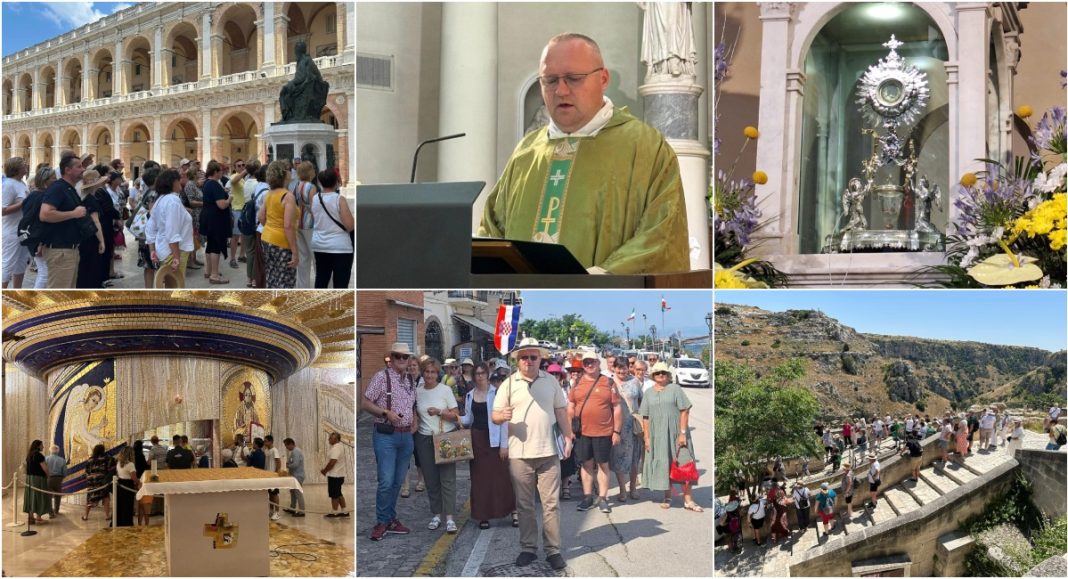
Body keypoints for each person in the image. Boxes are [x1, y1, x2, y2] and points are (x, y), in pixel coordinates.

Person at [477, 33, 688, 274]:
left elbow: (662, 235)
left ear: (603, 78)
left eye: (574, 79)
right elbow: (492, 232)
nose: (561, 91)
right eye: (550, 80)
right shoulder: (526, 151)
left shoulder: (645, 147)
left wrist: (596, 278)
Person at [492, 337, 573, 571]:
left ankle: (553, 550)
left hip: (548, 452)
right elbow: (495, 416)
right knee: (525, 505)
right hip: (519, 454)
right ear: (517, 360)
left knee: (551, 505)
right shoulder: (508, 384)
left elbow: (560, 412)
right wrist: (502, 416)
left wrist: (568, 438)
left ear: (540, 358)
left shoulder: (551, 382)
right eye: (524, 357)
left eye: (533, 357)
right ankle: (528, 548)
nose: (528, 361)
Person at [361, 342, 417, 539]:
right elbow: (366, 402)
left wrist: (414, 421)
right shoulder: (381, 377)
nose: (402, 360)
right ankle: (382, 521)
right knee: (385, 481)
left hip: (406, 436)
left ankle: (391, 518)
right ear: (391, 359)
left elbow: (413, 405)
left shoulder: (410, 380)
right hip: (386, 434)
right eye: (398, 356)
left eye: (405, 357)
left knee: (398, 481)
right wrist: (385, 412)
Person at [462, 362, 518, 529]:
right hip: (477, 439)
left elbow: (503, 422)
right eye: (477, 374)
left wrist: (504, 445)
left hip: (494, 439)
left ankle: (513, 510)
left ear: (487, 375)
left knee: (503, 477)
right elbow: (468, 419)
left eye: (482, 373)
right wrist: (448, 415)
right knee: (480, 479)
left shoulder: (497, 393)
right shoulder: (470, 395)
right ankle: (483, 514)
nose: (480, 376)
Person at [640, 362, 700, 511]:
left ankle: (688, 500)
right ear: (653, 375)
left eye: (664, 373)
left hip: (676, 433)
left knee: (684, 464)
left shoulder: (675, 389)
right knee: (664, 465)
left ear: (668, 375)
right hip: (657, 435)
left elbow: (685, 410)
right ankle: (667, 496)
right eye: (658, 373)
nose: (661, 375)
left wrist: (682, 433)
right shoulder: (648, 393)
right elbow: (645, 417)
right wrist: (646, 438)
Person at [568, 352, 621, 514]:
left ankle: (603, 498)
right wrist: (570, 429)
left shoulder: (609, 382)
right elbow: (570, 405)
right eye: (586, 362)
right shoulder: (577, 383)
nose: (589, 365)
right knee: (586, 464)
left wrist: (616, 431)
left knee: (603, 465)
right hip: (582, 432)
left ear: (599, 363)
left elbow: (617, 407)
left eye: (592, 362)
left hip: (604, 431)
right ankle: (588, 497)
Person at [413, 358, 461, 533]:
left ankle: (449, 518)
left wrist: (440, 411)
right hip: (424, 438)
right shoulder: (417, 392)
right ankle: (436, 514)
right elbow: (414, 413)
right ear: (422, 373)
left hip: (445, 436)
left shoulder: (445, 390)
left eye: (433, 372)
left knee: (447, 478)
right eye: (427, 372)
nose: (430, 375)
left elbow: (456, 415)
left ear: (437, 373)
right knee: (431, 479)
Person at [146, 169, 193, 287]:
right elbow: (172, 232)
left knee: (169, 287)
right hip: (174, 251)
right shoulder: (173, 201)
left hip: (164, 250)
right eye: (178, 179)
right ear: (173, 182)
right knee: (176, 288)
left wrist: (152, 250)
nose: (181, 182)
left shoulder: (160, 200)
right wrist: (177, 257)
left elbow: (150, 227)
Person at [256, 160, 299, 287]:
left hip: (267, 238)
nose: (291, 172)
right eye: (288, 170)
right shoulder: (287, 196)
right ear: (284, 174)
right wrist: (295, 252)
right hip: (282, 242)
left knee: (272, 275)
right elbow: (288, 225)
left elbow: (261, 216)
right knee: (285, 280)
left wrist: (270, 228)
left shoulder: (269, 193)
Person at [310, 168, 353, 288]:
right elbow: (349, 226)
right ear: (336, 182)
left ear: (320, 182)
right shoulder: (339, 199)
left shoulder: (315, 198)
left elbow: (316, 219)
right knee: (340, 284)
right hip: (340, 247)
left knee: (321, 280)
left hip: (320, 245)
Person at [609, 357, 642, 502]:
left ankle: (633, 487)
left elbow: (641, 400)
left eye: (624, 367)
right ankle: (622, 489)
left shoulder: (634, 382)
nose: (622, 371)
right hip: (617, 425)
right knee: (619, 458)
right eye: (619, 368)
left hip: (634, 425)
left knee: (635, 457)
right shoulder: (609, 382)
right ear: (613, 368)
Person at [198, 160, 232, 284]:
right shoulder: (214, 184)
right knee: (215, 246)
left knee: (210, 244)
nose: (222, 173)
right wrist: (229, 199)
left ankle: (209, 270)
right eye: (220, 171)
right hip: (215, 219)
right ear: (216, 172)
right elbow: (222, 205)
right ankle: (214, 275)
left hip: (207, 216)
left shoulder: (207, 183)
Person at [74, 169, 108, 288]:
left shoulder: (83, 198)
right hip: (92, 238)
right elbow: (95, 221)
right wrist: (102, 241)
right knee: (92, 267)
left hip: (84, 237)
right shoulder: (91, 200)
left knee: (84, 266)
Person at [2, 157, 31, 288]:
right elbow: (2, 210)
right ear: (16, 168)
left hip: (22, 230)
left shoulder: (22, 183)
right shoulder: (8, 185)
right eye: (23, 164)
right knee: (8, 263)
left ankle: (17, 291)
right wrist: (23, 204)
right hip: (11, 232)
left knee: (21, 262)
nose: (26, 165)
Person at [289, 160, 317, 288]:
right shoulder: (311, 187)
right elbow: (313, 206)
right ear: (309, 171)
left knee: (303, 257)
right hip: (309, 223)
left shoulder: (296, 185)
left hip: (298, 222)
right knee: (315, 256)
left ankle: (302, 286)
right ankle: (320, 284)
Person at [225, 159, 247, 267]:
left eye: (243, 165)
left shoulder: (244, 179)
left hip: (244, 209)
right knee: (235, 236)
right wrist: (246, 171)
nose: (242, 167)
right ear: (235, 168)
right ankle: (232, 258)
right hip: (237, 209)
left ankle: (242, 255)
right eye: (239, 166)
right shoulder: (234, 176)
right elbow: (233, 182)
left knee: (244, 235)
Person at [82, 443, 113, 521]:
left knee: (90, 499)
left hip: (92, 481)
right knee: (106, 498)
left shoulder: (90, 459)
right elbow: (112, 466)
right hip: (102, 480)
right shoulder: (107, 458)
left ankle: (86, 516)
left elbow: (87, 471)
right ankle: (107, 516)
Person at [24, 440, 52, 524]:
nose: (43, 447)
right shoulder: (39, 455)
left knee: (31, 496)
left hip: (29, 478)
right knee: (39, 496)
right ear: (38, 446)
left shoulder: (29, 455)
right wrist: (48, 476)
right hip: (38, 479)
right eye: (42, 445)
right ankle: (39, 518)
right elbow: (45, 468)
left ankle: (31, 518)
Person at [322, 432, 349, 517]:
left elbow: (332, 462)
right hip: (339, 474)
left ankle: (334, 511)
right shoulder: (339, 446)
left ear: (336, 439)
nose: (329, 439)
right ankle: (344, 511)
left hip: (335, 475)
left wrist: (325, 471)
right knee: (338, 493)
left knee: (334, 495)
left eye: (331, 438)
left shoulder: (336, 448)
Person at [114, 446, 139, 527]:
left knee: (120, 505)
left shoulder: (118, 463)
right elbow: (133, 478)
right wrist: (139, 483)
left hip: (120, 484)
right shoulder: (130, 464)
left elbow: (118, 474)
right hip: (128, 485)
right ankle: (127, 522)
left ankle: (119, 522)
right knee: (127, 505)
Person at [283, 438, 306, 516]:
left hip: (298, 475)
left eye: (286, 445)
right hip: (294, 476)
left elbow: (295, 464)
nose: (286, 447)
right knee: (292, 492)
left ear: (291, 444)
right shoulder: (294, 451)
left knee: (298, 493)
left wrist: (288, 465)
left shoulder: (296, 451)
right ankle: (292, 508)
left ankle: (302, 511)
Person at [44, 445, 67, 517]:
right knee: (58, 495)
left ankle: (50, 512)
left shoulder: (45, 459)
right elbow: (65, 472)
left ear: (50, 451)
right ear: (58, 451)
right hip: (58, 479)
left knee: (48, 496)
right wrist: (62, 478)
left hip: (48, 478)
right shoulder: (62, 460)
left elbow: (43, 469)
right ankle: (56, 511)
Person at [263, 435, 281, 519]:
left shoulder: (275, 450)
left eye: (266, 441)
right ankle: (271, 510)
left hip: (273, 475)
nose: (265, 442)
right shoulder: (266, 450)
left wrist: (276, 473)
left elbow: (278, 462)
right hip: (267, 475)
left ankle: (277, 512)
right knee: (270, 494)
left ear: (271, 441)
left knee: (275, 494)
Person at [132, 440, 150, 525]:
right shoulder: (141, 455)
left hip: (133, 478)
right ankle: (142, 517)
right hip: (140, 478)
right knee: (141, 498)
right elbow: (145, 467)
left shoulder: (131, 455)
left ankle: (135, 512)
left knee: (135, 496)